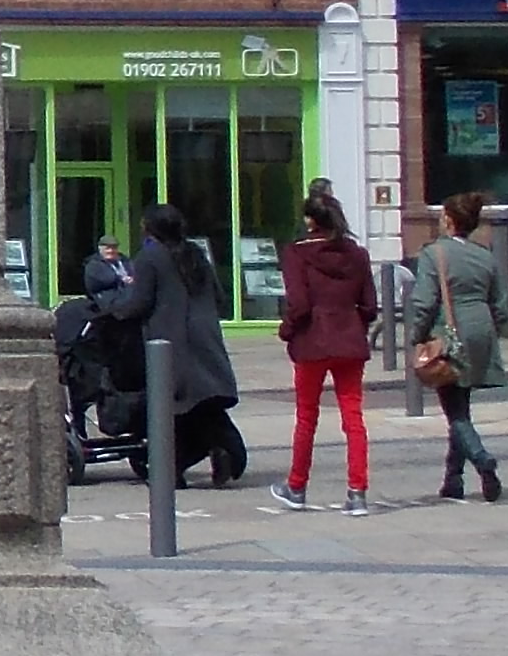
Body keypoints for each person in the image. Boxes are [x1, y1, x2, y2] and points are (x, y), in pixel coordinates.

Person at [99, 205, 248, 486]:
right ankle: (214, 453)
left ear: (150, 229)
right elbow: (218, 295)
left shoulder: (150, 257)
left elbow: (139, 302)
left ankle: (176, 467)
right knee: (200, 403)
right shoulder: (194, 253)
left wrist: (112, 311)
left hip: (170, 341)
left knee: (177, 408)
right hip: (205, 336)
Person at [271, 184, 380, 514]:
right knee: (353, 415)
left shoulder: (296, 253)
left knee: (307, 416)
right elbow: (370, 305)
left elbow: (299, 304)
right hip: (349, 339)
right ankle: (357, 491)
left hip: (312, 340)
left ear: (310, 221)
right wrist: (354, 323)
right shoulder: (356, 254)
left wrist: (287, 330)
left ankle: (297, 485)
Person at [405, 191, 508, 502]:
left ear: (448, 220)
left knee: (455, 411)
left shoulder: (433, 254)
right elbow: (500, 304)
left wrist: (416, 336)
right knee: (461, 405)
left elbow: (424, 301)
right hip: (481, 330)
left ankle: (482, 459)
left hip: (450, 334)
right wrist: (495, 330)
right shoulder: (484, 255)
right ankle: (453, 478)